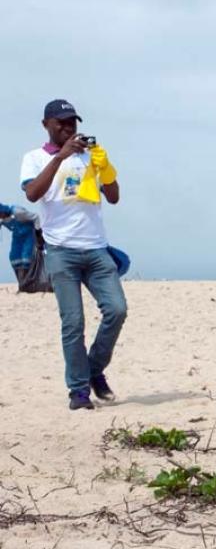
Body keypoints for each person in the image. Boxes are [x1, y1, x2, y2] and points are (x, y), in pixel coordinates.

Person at [20, 99, 127, 410]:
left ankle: (93, 369)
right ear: (46, 125)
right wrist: (60, 157)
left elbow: (114, 197)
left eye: (73, 123)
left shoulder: (88, 156)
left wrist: (105, 168)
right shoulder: (35, 158)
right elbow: (32, 193)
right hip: (60, 250)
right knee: (73, 322)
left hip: (96, 248)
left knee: (117, 309)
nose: (68, 128)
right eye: (61, 123)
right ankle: (78, 391)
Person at [0, 202, 39, 284]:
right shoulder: (3, 219)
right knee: (14, 258)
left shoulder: (18, 212)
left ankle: (28, 282)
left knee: (26, 258)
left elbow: (36, 217)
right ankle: (21, 281)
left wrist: (38, 233)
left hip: (29, 235)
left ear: (2, 211)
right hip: (17, 237)